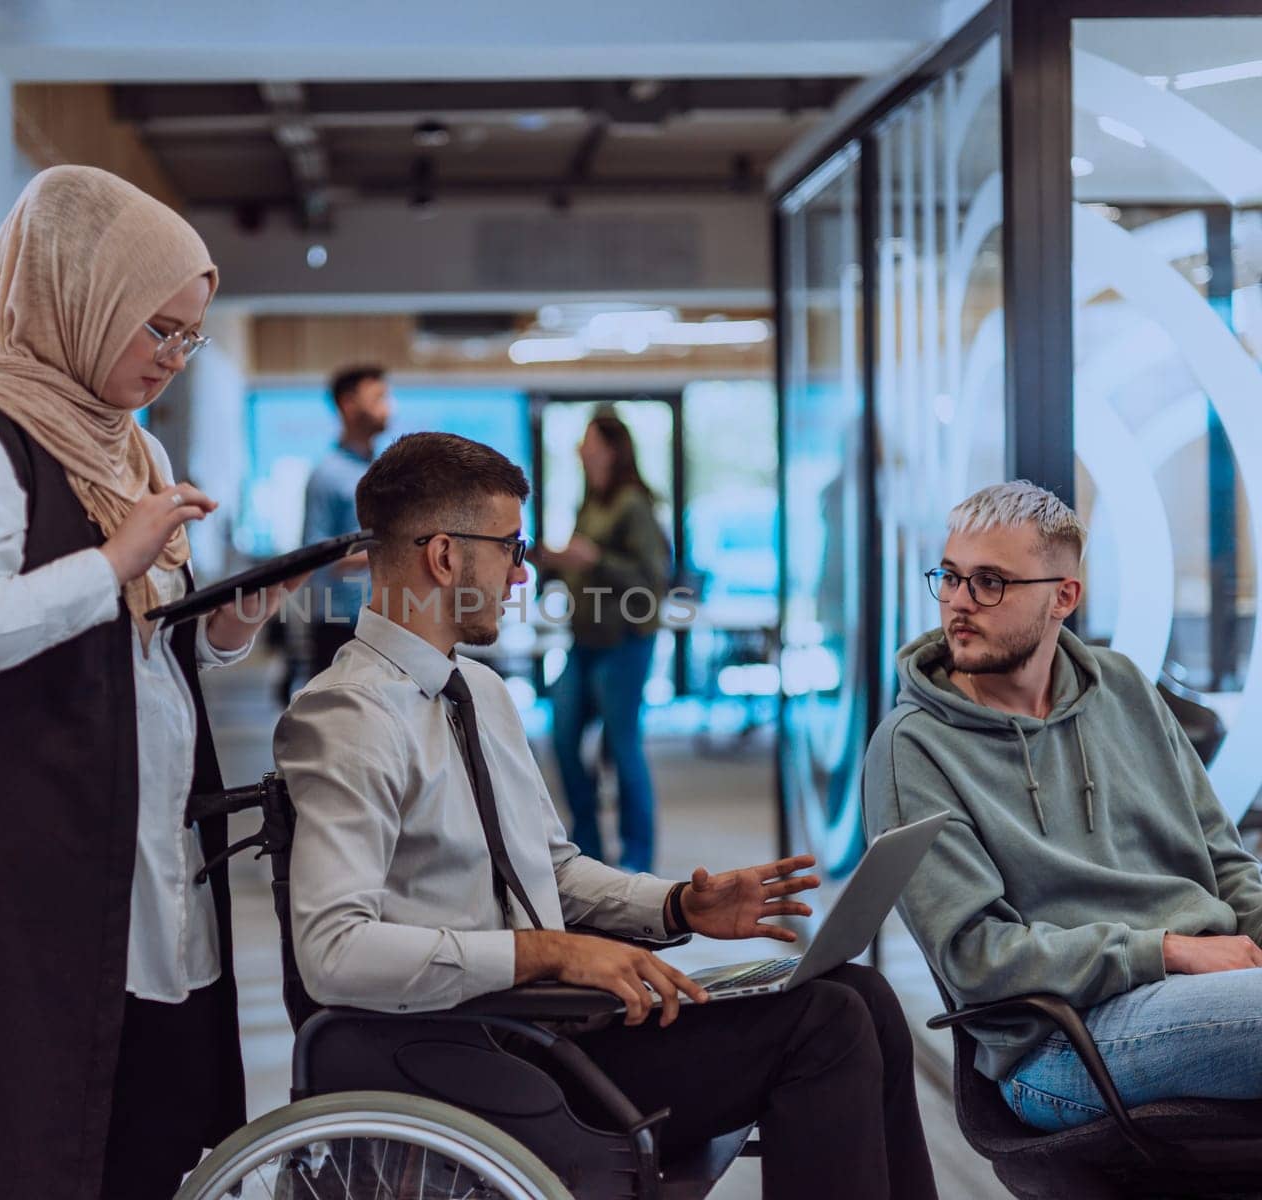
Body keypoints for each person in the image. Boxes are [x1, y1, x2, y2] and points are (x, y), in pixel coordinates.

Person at [274, 432, 938, 1199]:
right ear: (444, 556)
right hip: (473, 1051)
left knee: (863, 995)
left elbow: (549, 866)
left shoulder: (481, 692)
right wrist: (548, 954)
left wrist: (676, 905)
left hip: (553, 1030)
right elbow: (333, 951)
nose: (523, 572)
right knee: (826, 1025)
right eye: (510, 547)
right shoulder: (347, 717)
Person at [0, 165, 294, 1200]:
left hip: (137, 834)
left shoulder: (127, 443)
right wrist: (115, 561)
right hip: (24, 851)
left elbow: (136, 643)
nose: (174, 358)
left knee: (139, 1127)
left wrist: (230, 623)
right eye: (156, 330)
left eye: (191, 335)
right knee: (30, 1138)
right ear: (75, 301)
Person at [864, 480, 1262, 1133]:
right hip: (1062, 1039)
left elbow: (1226, 863)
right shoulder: (914, 748)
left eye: (990, 582)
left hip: (1202, 986)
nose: (959, 604)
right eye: (952, 577)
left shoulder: (1125, 688)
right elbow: (973, 956)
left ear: (1064, 597)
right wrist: (1163, 951)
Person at [534, 409, 669, 871]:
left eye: (588, 442)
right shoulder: (590, 500)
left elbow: (652, 577)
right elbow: (582, 560)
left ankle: (637, 854)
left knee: (623, 745)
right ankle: (586, 848)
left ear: (611, 450)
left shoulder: (633, 504)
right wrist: (555, 558)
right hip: (584, 641)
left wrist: (594, 559)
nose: (580, 451)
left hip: (624, 643)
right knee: (564, 737)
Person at [294, 364, 392, 689]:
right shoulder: (327, 475)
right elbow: (315, 556)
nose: (388, 407)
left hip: (385, 624)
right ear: (349, 404)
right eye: (377, 397)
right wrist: (389, 548)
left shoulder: (383, 470)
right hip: (340, 627)